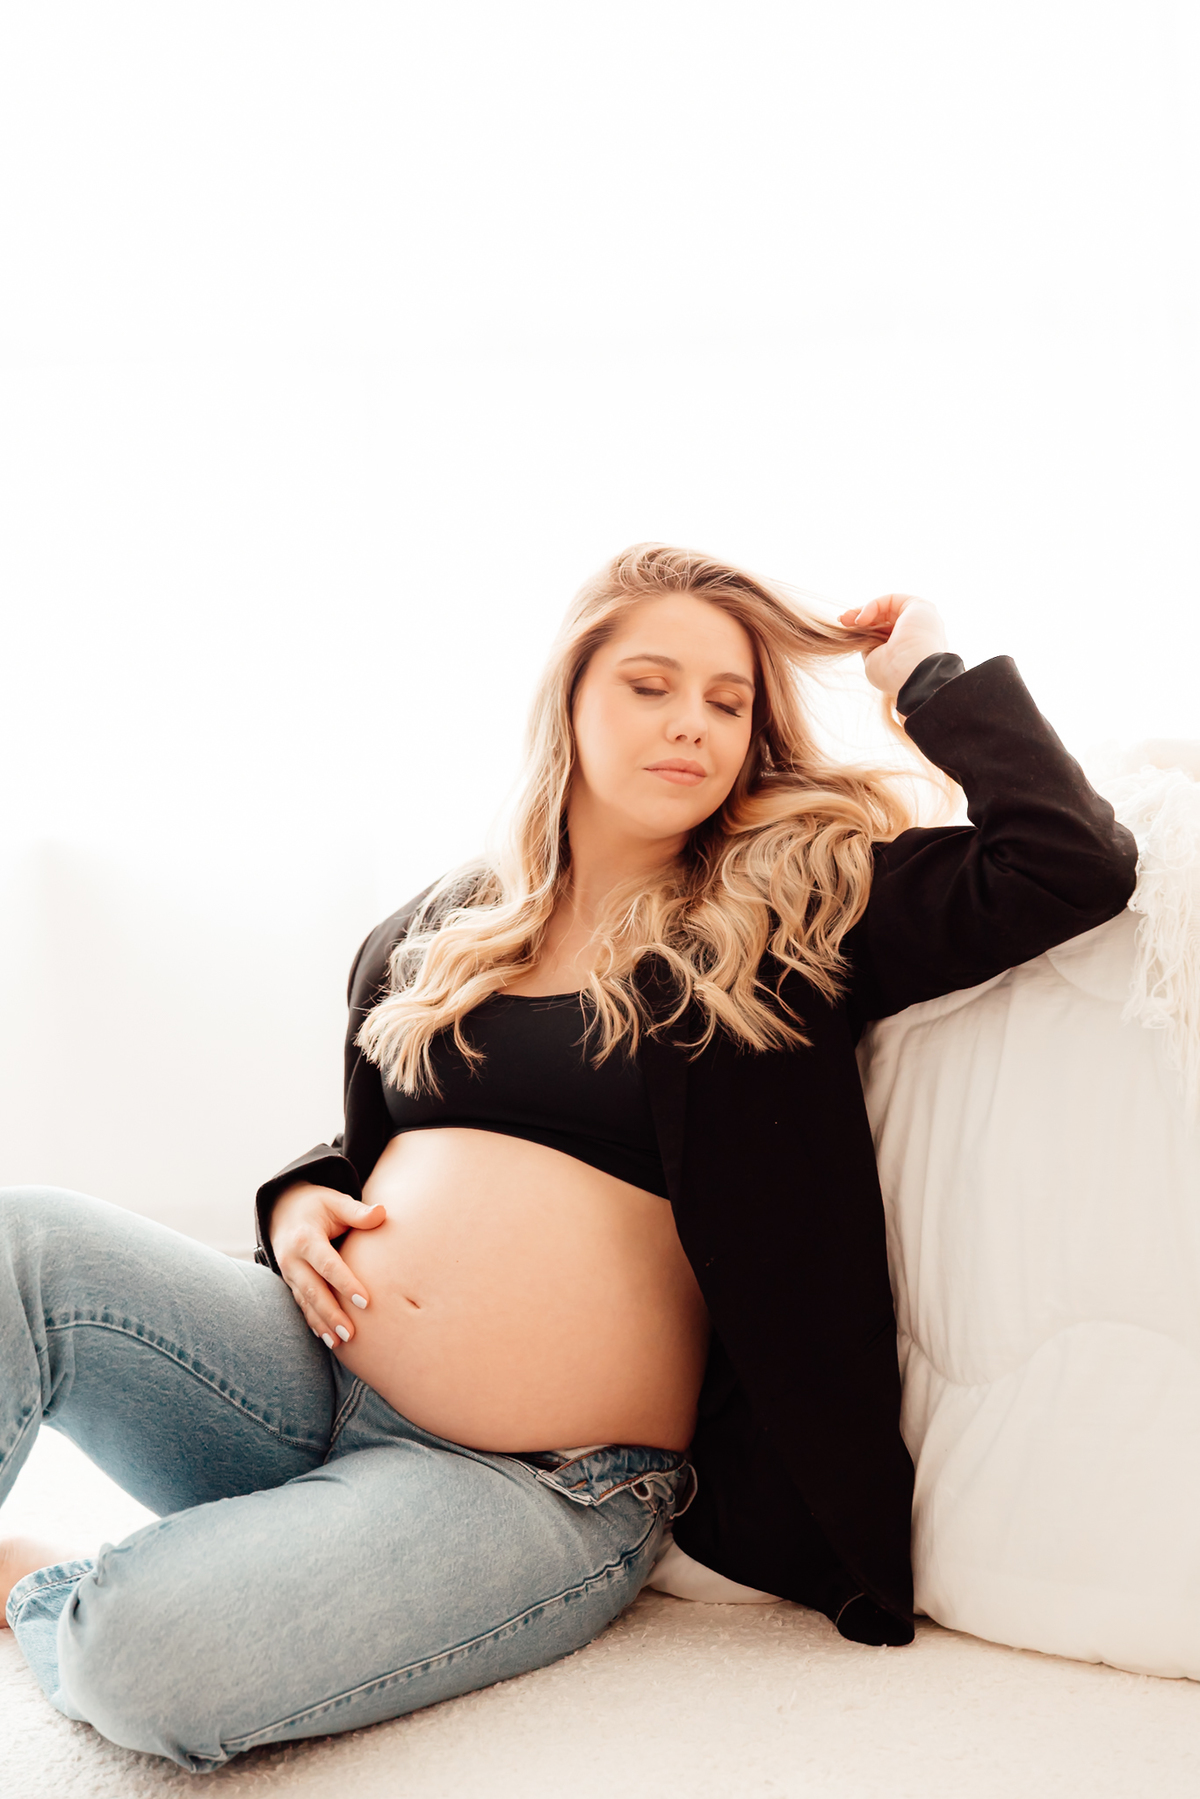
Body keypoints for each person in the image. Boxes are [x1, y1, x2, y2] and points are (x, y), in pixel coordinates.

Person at [0, 545, 1137, 1772]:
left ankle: (50, 1586)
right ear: (571, 696)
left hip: (537, 1485)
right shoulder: (433, 930)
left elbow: (1070, 859)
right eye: (650, 684)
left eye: (728, 701)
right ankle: (272, 1542)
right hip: (305, 1376)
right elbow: (372, 1151)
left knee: (140, 1654)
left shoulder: (795, 910)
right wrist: (298, 1204)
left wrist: (925, 669)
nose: (691, 722)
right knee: (24, 1242)